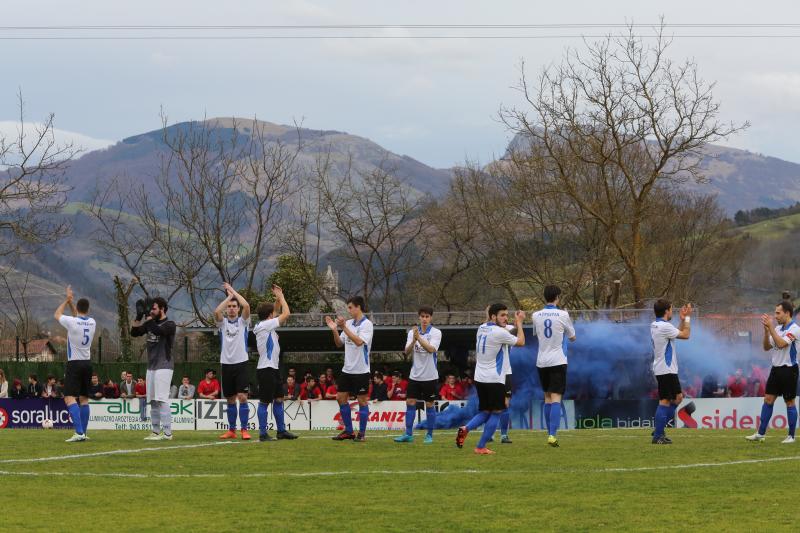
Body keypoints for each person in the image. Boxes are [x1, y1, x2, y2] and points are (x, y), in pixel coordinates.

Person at [456, 304, 525, 455]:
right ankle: (481, 446)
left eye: (507, 315)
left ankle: (465, 429)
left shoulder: (482, 328)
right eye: (502, 315)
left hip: (480, 378)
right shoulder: (499, 333)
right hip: (494, 378)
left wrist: (493, 314)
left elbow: (500, 329)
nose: (506, 318)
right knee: (497, 412)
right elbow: (521, 342)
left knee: (485, 411)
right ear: (493, 316)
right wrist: (519, 323)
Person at [746, 301, 800, 443]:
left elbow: (781, 344)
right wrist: (766, 331)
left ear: (787, 313)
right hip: (775, 369)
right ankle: (761, 433)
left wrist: (771, 328)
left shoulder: (795, 329)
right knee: (768, 400)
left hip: (789, 370)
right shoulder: (777, 328)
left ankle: (791, 436)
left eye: (778, 313)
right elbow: (766, 347)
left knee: (789, 402)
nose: (775, 316)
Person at [531, 285, 577, 448]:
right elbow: (573, 337)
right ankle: (552, 434)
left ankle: (549, 432)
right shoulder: (563, 314)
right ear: (557, 297)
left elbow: (537, 334)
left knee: (547, 398)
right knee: (557, 398)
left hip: (541, 361)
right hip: (557, 360)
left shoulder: (535, 315)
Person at [252, 285, 297, 442]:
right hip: (266, 369)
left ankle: (281, 431)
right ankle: (263, 434)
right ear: (269, 316)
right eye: (272, 314)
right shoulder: (265, 325)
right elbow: (286, 313)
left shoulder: (265, 324)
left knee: (279, 399)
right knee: (265, 401)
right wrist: (282, 298)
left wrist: (278, 296)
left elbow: (276, 312)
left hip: (273, 368)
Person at [326, 296, 373, 442]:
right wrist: (334, 330)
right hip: (347, 370)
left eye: (351, 307)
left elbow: (359, 342)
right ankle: (349, 431)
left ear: (359, 307)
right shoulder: (349, 323)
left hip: (361, 371)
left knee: (362, 402)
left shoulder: (367, 324)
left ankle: (362, 434)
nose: (349, 310)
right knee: (340, 398)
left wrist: (343, 327)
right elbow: (340, 343)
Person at [54, 285, 96, 442]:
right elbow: (77, 317)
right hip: (87, 363)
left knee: (69, 398)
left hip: (75, 364)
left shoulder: (72, 322)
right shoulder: (92, 322)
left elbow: (57, 314)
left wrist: (66, 300)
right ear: (88, 308)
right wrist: (73, 303)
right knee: (84, 399)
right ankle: (83, 433)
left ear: (78, 308)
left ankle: (78, 432)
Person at [131, 297, 177, 440]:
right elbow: (134, 332)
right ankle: (156, 431)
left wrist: (148, 317)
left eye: (154, 308)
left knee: (162, 399)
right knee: (153, 401)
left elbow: (157, 331)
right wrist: (138, 316)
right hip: (151, 367)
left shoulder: (170, 324)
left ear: (162, 309)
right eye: (151, 309)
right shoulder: (150, 322)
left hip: (164, 365)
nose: (151, 311)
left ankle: (168, 433)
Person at [395, 306, 442, 444]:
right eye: (422, 316)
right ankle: (408, 434)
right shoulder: (412, 333)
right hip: (415, 376)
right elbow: (407, 351)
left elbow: (431, 349)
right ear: (419, 317)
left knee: (429, 404)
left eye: (427, 316)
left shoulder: (436, 332)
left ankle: (429, 435)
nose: (425, 319)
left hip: (430, 376)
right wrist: (414, 339)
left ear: (431, 318)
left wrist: (419, 338)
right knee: (410, 402)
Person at [650, 299, 692, 445]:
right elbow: (686, 335)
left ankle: (659, 430)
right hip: (666, 369)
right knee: (665, 401)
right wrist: (687, 318)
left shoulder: (656, 325)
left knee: (678, 398)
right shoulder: (664, 327)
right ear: (666, 311)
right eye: (671, 309)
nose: (672, 312)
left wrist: (681, 320)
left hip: (664, 369)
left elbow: (677, 333)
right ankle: (658, 435)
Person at [215, 283, 253, 440]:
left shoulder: (243, 322)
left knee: (242, 397)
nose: (231, 308)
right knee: (230, 398)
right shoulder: (222, 323)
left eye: (234, 306)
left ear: (238, 309)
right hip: (226, 364)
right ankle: (232, 430)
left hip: (241, 363)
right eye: (229, 306)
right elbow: (217, 311)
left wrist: (234, 292)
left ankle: (244, 429)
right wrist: (229, 297)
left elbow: (247, 305)